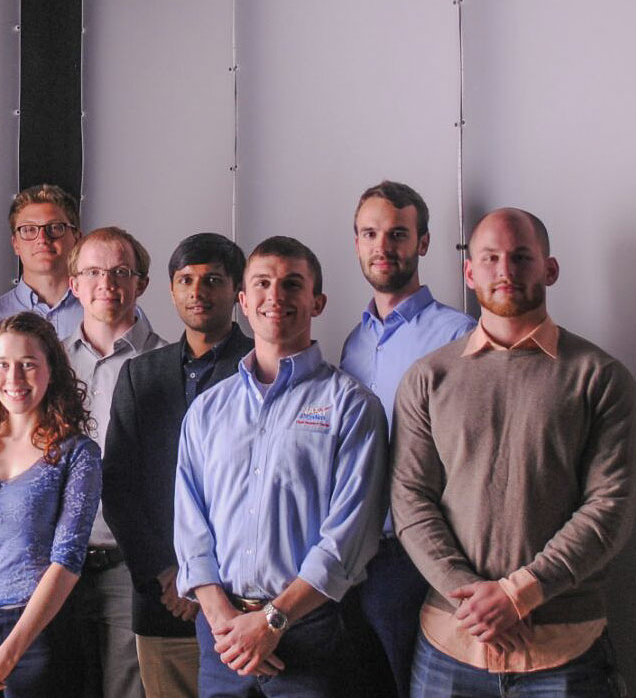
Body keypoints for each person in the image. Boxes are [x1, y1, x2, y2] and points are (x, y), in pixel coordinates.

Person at [393, 208, 635, 696]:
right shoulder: (428, 378)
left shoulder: (600, 377)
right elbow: (410, 501)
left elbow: (610, 507)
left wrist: (518, 593)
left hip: (564, 651)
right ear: (469, 271)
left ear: (550, 269)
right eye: (491, 258)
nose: (505, 271)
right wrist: (475, 602)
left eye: (521, 257)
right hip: (451, 646)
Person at [175, 236, 389, 696]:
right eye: (263, 284)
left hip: (312, 633)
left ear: (318, 301)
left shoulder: (352, 407)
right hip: (222, 636)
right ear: (243, 301)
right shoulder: (208, 411)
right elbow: (190, 526)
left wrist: (273, 619)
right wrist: (224, 620)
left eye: (292, 285)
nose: (276, 297)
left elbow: (349, 538)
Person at [338, 181, 474, 696]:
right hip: (352, 556)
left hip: (417, 556)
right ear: (355, 243)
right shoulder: (352, 342)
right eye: (369, 233)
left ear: (423, 243)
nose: (383, 246)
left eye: (398, 233)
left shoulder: (458, 334)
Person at [104, 233, 253, 697]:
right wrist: (168, 574)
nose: (197, 292)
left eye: (212, 280)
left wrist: (206, 585)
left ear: (237, 291)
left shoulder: (261, 369)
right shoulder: (140, 374)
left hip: (241, 605)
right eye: (185, 280)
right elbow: (119, 486)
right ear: (170, 290)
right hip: (162, 601)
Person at [0, 312, 102, 698]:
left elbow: (68, 560)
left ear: (51, 371)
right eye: (3, 365)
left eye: (28, 365)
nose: (14, 379)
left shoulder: (77, 454)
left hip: (37, 637)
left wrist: (8, 656)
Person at [61, 225, 166, 698]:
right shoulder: (48, 365)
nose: (107, 284)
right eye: (94, 272)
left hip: (136, 565)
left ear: (141, 283)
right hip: (58, 562)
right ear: (74, 284)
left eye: (121, 271)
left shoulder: (170, 363)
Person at [0, 184, 83, 364]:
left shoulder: (115, 313)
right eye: (29, 230)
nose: (42, 239)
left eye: (55, 227)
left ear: (77, 238)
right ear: (15, 243)